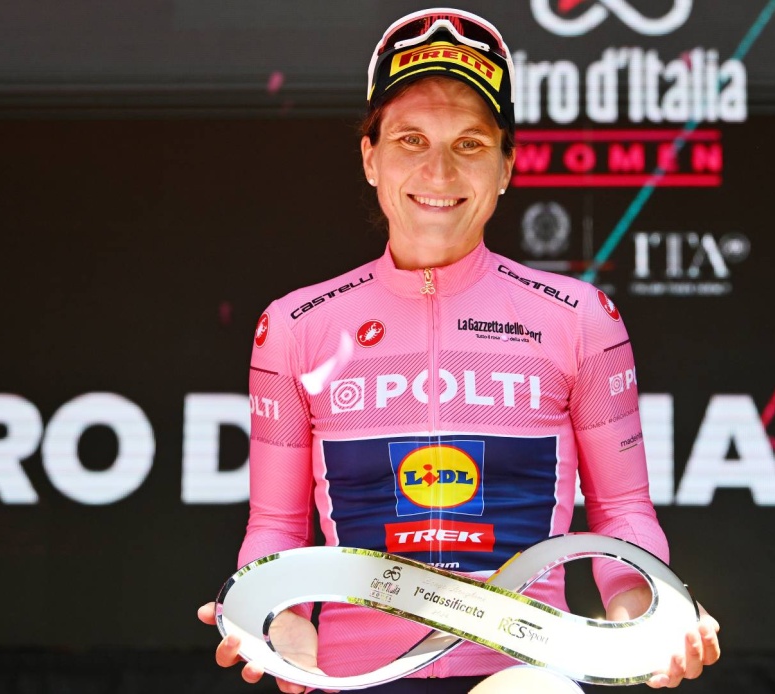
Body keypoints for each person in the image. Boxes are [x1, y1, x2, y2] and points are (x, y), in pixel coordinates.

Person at [199, 8, 720, 692]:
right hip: (355, 680)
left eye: (469, 143)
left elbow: (623, 514)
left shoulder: (579, 319)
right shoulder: (296, 325)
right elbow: (275, 524)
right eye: (410, 139)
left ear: (506, 166)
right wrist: (276, 617)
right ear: (370, 158)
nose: (438, 170)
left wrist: (650, 615)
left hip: (523, 676)